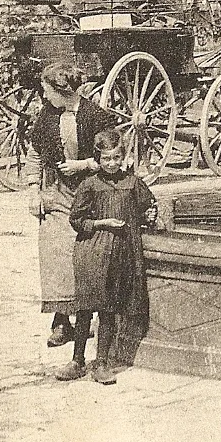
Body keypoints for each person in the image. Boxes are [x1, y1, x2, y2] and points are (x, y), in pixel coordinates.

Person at [25, 62, 114, 349]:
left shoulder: (95, 116)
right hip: (58, 192)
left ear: (63, 91)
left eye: (47, 90)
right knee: (53, 244)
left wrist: (83, 164)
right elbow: (36, 154)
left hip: (90, 193)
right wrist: (33, 191)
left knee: (88, 252)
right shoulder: (47, 114)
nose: (44, 94)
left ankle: (88, 319)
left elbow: (113, 156)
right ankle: (61, 320)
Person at [58, 127, 157, 384]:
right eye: (106, 159)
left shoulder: (133, 183)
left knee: (109, 310)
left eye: (116, 157)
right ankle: (77, 361)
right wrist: (102, 223)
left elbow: (149, 205)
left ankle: (102, 362)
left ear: (123, 156)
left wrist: (150, 215)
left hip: (121, 256)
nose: (112, 163)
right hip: (92, 253)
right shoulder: (89, 185)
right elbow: (76, 220)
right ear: (97, 159)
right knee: (85, 309)